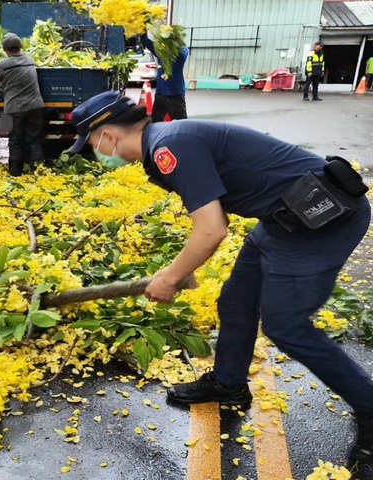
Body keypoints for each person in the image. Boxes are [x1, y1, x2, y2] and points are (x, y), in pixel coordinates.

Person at [68, 90, 373, 464]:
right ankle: (229, 384)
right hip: (284, 219)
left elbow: (212, 229)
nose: (96, 152)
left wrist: (171, 276)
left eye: (92, 144)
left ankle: (369, 407)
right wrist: (181, 268)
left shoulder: (170, 147)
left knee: (286, 326)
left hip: (322, 219)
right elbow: (210, 219)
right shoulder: (165, 144)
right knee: (235, 301)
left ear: (108, 136)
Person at [0, 33, 45, 176]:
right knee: (34, 139)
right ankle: (38, 171)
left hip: (15, 108)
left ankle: (15, 173)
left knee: (15, 140)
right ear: (20, 47)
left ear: (5, 49)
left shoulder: (3, 64)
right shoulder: (29, 59)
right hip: (35, 106)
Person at [141, 36, 189, 122]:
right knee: (155, 122)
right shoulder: (161, 52)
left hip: (175, 95)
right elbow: (146, 42)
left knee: (181, 123)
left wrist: (172, 43)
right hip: (160, 94)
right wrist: (142, 29)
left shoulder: (181, 51)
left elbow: (183, 53)